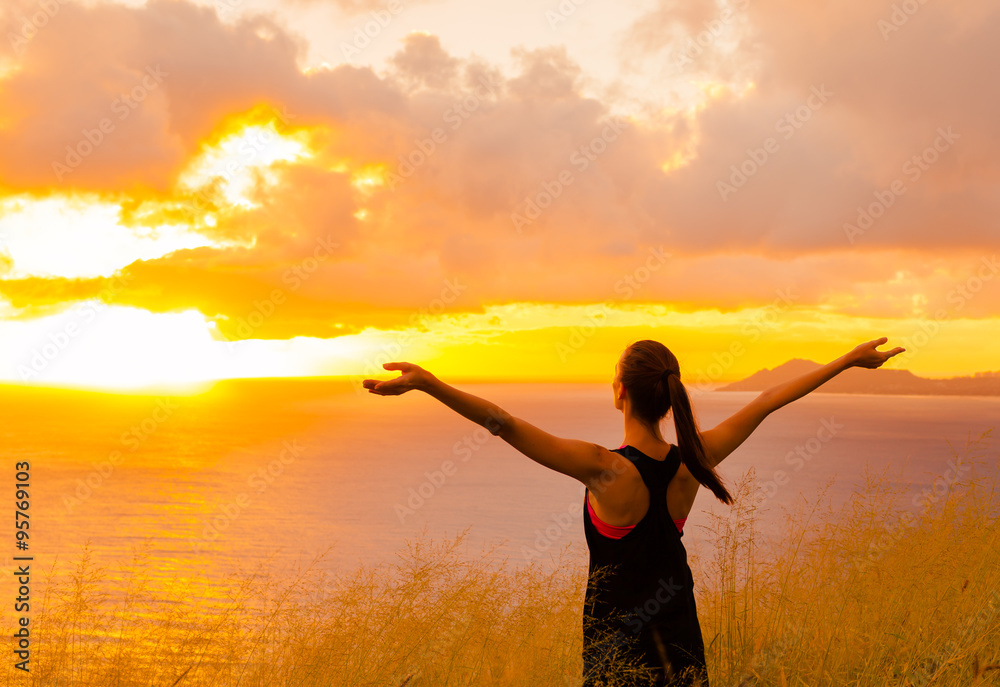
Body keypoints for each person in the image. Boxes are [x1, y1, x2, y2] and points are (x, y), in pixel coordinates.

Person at [362, 336, 905, 686]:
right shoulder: (695, 459)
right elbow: (767, 400)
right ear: (667, 398)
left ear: (620, 391)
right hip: (681, 635)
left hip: (613, 649)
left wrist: (431, 384)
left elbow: (501, 423)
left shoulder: (603, 468)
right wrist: (848, 360)